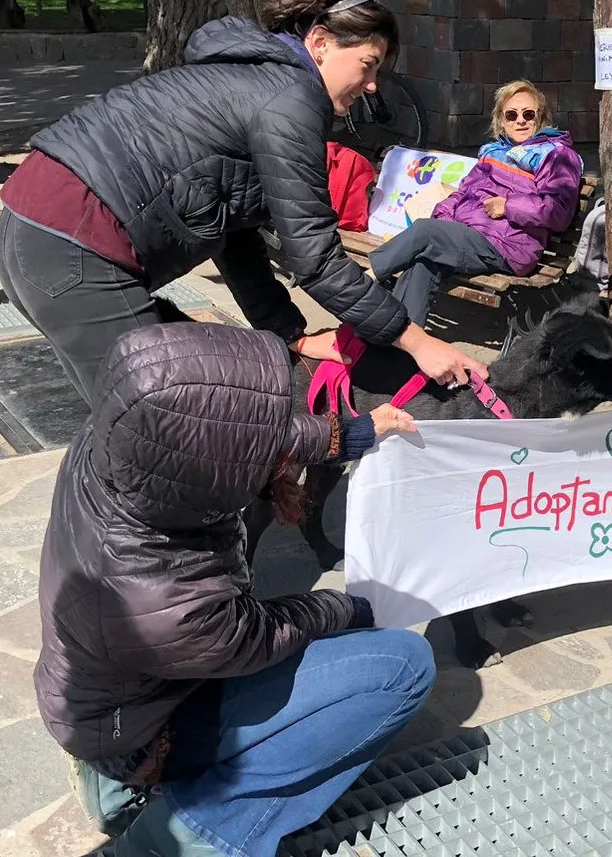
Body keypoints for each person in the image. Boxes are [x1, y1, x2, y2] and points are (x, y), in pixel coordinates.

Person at [36, 322, 433, 857]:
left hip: (116, 703)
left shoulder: (120, 443)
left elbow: (233, 433)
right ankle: (190, 833)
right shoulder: (156, 595)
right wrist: (352, 608)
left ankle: (113, 786)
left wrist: (351, 433)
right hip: (143, 739)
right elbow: (265, 633)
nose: (275, 440)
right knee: (402, 665)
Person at [0, 0, 484, 406]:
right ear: (320, 42)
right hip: (73, 243)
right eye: (368, 64)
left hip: (31, 228)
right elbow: (316, 258)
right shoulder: (292, 97)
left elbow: (235, 231)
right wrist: (417, 341)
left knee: (141, 419)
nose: (373, 85)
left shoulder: (255, 79)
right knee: (168, 425)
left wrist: (289, 334)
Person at [368, 80, 584, 324]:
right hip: (469, 236)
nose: (520, 121)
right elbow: (462, 193)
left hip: (507, 244)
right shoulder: (493, 153)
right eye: (511, 115)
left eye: (528, 114)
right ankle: (399, 337)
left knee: (424, 231)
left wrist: (508, 206)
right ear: (501, 121)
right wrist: (444, 221)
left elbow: (559, 210)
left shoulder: (555, 154)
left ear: (540, 118)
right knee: (423, 262)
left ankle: (364, 280)